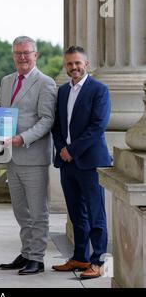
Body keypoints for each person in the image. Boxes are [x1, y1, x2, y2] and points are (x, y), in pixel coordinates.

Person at [0, 36, 56, 275]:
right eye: (18, 53)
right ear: (13, 55)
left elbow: (47, 119)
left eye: (27, 53)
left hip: (33, 156)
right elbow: (8, 113)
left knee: (37, 211)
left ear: (36, 55)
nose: (22, 57)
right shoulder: (6, 81)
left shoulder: (46, 82)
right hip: (12, 156)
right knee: (21, 210)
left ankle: (37, 258)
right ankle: (26, 252)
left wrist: (23, 138)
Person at [51, 46, 111, 279]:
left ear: (86, 64)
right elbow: (57, 126)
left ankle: (98, 261)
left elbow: (98, 126)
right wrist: (62, 150)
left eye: (78, 63)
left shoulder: (99, 90)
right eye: (69, 64)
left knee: (96, 215)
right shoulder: (63, 91)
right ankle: (79, 257)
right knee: (76, 213)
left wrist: (72, 150)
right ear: (65, 66)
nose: (74, 67)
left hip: (90, 161)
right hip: (67, 163)